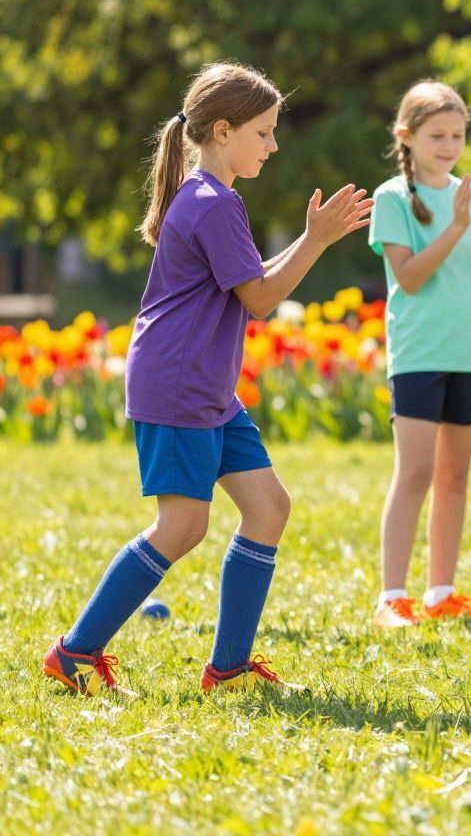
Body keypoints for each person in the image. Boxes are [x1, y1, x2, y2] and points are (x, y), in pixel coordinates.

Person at [43, 61, 372, 695]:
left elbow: (247, 277)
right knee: (183, 526)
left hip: (207, 389)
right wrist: (318, 241)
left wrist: (308, 237)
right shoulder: (211, 203)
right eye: (264, 133)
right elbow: (259, 299)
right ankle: (75, 652)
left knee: (269, 507)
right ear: (223, 131)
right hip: (178, 385)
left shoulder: (214, 198)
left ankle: (227, 669)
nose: (273, 146)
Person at [369, 81, 471, 628]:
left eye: (458, 135)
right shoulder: (391, 198)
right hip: (418, 354)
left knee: (454, 476)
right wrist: (457, 226)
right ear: (406, 137)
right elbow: (408, 279)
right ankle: (392, 597)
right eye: (438, 135)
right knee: (415, 472)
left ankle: (441, 593)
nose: (450, 145)